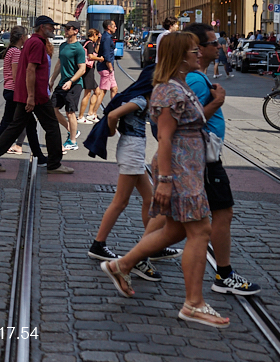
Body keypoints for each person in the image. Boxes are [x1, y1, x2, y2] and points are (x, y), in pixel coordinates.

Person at [99, 32, 229, 328]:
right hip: (180, 169)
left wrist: (217, 102)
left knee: (174, 230)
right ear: (180, 57)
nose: (199, 54)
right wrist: (167, 181)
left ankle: (122, 265)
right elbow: (165, 137)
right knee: (200, 230)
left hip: (188, 166)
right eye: (194, 50)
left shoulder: (180, 85)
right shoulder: (169, 90)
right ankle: (193, 303)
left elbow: (191, 123)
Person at [184, 23, 260, 297]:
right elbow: (184, 120)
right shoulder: (195, 80)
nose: (219, 46)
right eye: (213, 43)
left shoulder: (197, 77)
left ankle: (129, 261)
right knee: (221, 213)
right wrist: (216, 103)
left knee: (173, 226)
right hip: (203, 159)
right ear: (198, 48)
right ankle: (224, 275)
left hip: (199, 158)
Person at [87, 69, 174, 281]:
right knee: (121, 201)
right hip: (131, 151)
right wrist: (112, 130)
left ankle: (152, 244)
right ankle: (98, 244)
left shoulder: (143, 99)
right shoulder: (141, 101)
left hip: (133, 150)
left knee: (149, 199)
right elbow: (112, 115)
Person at [0, 16, 73, 174]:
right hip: (36, 95)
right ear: (42, 27)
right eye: (51, 26)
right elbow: (30, 70)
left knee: (15, 126)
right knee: (52, 127)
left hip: (27, 93)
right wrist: (31, 96)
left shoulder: (31, 41)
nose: (54, 29)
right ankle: (54, 164)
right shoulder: (37, 43)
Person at [0, 26, 44, 161]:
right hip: (15, 92)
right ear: (22, 37)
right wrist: (24, 92)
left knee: (28, 125)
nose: (27, 38)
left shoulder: (11, 50)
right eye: (26, 36)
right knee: (8, 125)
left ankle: (38, 155)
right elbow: (16, 75)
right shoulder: (16, 52)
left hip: (10, 90)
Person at [51, 21, 86, 152]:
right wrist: (52, 79)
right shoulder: (63, 46)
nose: (65, 30)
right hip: (62, 83)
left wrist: (71, 81)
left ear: (76, 31)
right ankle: (72, 131)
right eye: (65, 28)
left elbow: (82, 69)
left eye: (68, 28)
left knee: (70, 112)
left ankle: (73, 142)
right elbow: (59, 64)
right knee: (52, 109)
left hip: (75, 84)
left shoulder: (79, 48)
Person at [79, 28, 100, 124]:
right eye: (97, 36)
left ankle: (90, 113)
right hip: (88, 71)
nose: (97, 38)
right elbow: (91, 56)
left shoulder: (86, 43)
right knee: (87, 94)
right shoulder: (90, 44)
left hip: (88, 71)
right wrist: (100, 59)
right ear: (94, 35)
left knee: (97, 91)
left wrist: (98, 43)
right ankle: (80, 116)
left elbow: (95, 52)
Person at [98, 20, 119, 108]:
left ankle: (113, 109)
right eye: (114, 26)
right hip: (106, 68)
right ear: (109, 27)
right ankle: (93, 112)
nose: (116, 28)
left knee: (114, 89)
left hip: (107, 68)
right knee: (102, 91)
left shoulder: (107, 37)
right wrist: (110, 67)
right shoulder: (107, 38)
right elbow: (106, 55)